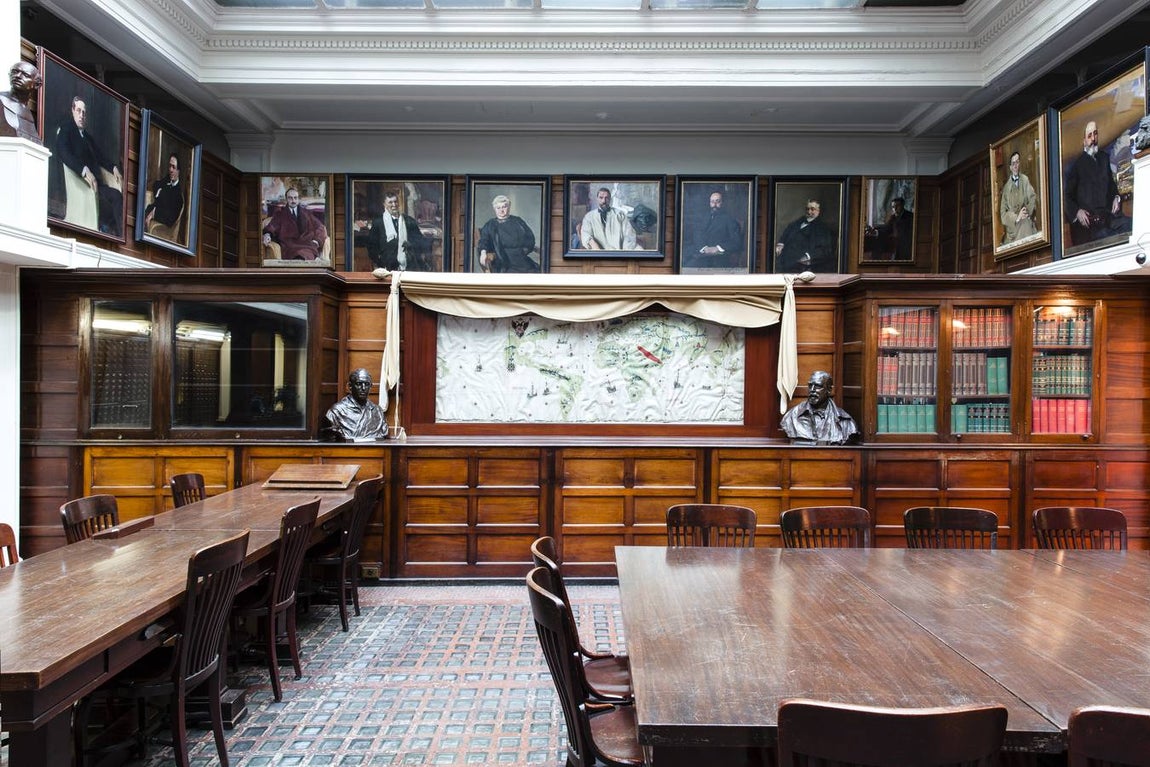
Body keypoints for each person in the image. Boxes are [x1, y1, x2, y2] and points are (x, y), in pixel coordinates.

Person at [55, 95, 124, 236]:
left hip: (97, 184)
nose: (82, 115)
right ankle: (107, 230)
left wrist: (113, 168)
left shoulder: (87, 136)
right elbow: (64, 153)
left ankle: (118, 234)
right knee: (109, 203)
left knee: (117, 196)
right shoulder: (66, 130)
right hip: (82, 183)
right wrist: (84, 170)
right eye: (79, 111)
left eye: (84, 112)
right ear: (73, 111)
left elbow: (100, 156)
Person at [1063, 120, 1122, 247]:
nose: (1093, 139)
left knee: (1132, 226)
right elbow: (1067, 196)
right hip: (1089, 226)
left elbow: (1111, 186)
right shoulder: (1077, 165)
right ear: (1084, 141)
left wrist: (1116, 198)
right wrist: (1077, 212)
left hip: (1108, 219)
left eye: (1095, 134)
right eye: (1089, 136)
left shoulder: (1104, 158)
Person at [780, 370, 860, 445]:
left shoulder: (846, 422)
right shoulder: (791, 416)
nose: (812, 390)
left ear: (829, 390)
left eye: (818, 386)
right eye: (810, 385)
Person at [366, 192, 432, 271]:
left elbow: (419, 241)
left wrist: (411, 244)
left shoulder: (409, 221)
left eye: (395, 201)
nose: (394, 205)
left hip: (408, 265)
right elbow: (372, 246)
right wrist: (379, 262)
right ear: (384, 204)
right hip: (386, 266)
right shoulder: (378, 223)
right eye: (390, 202)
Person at [322, 368, 389, 441]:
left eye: (366, 384)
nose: (363, 388)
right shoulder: (336, 411)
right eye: (359, 384)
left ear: (370, 386)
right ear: (350, 386)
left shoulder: (378, 411)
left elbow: (383, 432)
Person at [262, 187, 328, 260]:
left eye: (295, 198)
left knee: (307, 253)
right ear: (286, 199)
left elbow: (320, 227)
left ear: (298, 199)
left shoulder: (306, 213)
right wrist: (267, 235)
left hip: (306, 244)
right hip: (289, 245)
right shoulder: (280, 214)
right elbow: (272, 226)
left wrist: (317, 240)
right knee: (299, 254)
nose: (293, 200)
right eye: (290, 198)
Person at [477, 194, 538, 273]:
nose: (501, 210)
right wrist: (483, 252)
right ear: (494, 209)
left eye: (504, 207)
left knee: (535, 271)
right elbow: (484, 240)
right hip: (502, 260)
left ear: (509, 207)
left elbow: (530, 238)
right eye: (498, 208)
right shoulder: (490, 224)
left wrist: (524, 250)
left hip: (520, 257)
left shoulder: (518, 221)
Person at [683, 190, 743, 269]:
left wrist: (717, 248)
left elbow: (736, 242)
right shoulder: (704, 218)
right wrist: (704, 248)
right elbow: (697, 234)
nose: (714, 204)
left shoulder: (730, 220)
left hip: (718, 258)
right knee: (685, 264)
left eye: (717, 202)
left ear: (723, 203)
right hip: (701, 254)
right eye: (712, 202)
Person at [774, 199, 835, 272]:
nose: (809, 212)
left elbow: (824, 249)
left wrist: (808, 256)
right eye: (807, 209)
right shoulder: (799, 221)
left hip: (801, 259)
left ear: (819, 211)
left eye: (812, 209)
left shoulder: (822, 228)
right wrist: (781, 243)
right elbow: (787, 232)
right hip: (786, 255)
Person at [999, 151, 1038, 245]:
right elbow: (1003, 214)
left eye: (1017, 162)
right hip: (1013, 230)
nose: (1016, 166)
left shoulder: (1025, 180)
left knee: (1027, 227)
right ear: (1010, 167)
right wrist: (1017, 217)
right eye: (1013, 163)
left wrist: (1026, 212)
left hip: (1026, 222)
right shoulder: (1006, 188)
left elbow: (1032, 197)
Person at [0, 60, 42, 143]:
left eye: (25, 75)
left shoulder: (27, 111)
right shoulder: (1, 100)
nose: (18, 76)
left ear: (36, 84)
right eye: (15, 72)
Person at [143, 152, 184, 232]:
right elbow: (156, 184)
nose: (170, 170)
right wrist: (159, 192)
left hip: (160, 226)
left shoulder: (178, 195)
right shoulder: (167, 179)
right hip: (148, 211)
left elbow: (170, 218)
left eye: (173, 167)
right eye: (170, 166)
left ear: (178, 170)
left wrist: (154, 213)